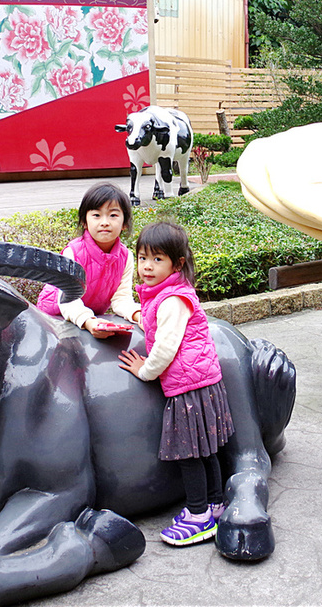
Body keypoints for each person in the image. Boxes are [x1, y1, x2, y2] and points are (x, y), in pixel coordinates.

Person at [118, 222, 234, 546]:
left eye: (157, 260)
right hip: (203, 382)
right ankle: (215, 504)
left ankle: (198, 516)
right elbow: (151, 319)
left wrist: (144, 371)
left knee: (190, 455)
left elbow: (165, 348)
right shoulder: (167, 295)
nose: (147, 267)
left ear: (177, 264)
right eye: (142, 258)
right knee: (207, 449)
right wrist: (132, 313)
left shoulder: (173, 300)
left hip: (188, 388)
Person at [36, 183, 142, 336]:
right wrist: (88, 321)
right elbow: (67, 300)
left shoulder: (126, 257)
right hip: (54, 318)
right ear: (85, 221)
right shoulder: (73, 253)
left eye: (113, 215)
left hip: (90, 317)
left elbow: (121, 298)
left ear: (124, 223)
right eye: (96, 215)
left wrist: (139, 316)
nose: (105, 222)